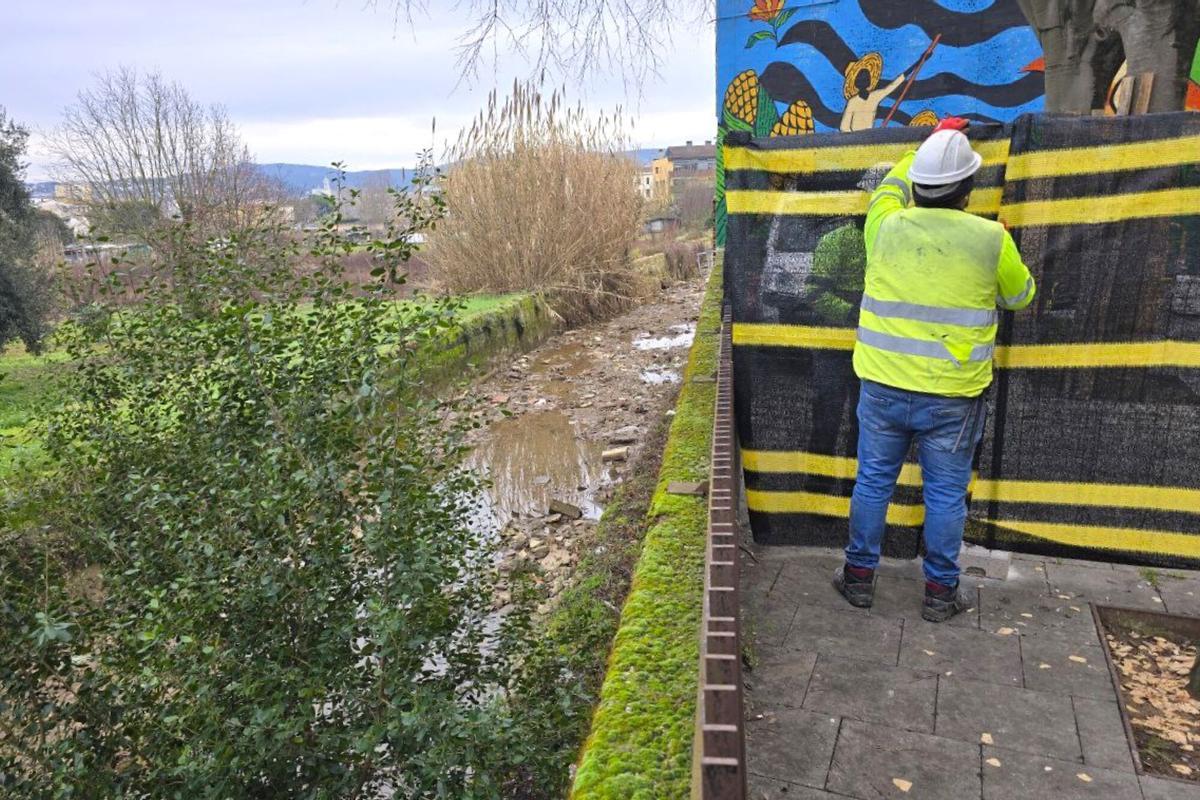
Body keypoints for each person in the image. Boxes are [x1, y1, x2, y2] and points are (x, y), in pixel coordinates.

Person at [832, 118, 1036, 622]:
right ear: (969, 188)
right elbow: (1020, 296)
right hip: (953, 398)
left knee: (873, 483)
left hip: (882, 386)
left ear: (918, 186)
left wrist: (921, 146)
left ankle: (859, 579)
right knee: (945, 494)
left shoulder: (884, 228)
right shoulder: (990, 239)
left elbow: (886, 190)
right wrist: (1000, 249)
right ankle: (940, 593)